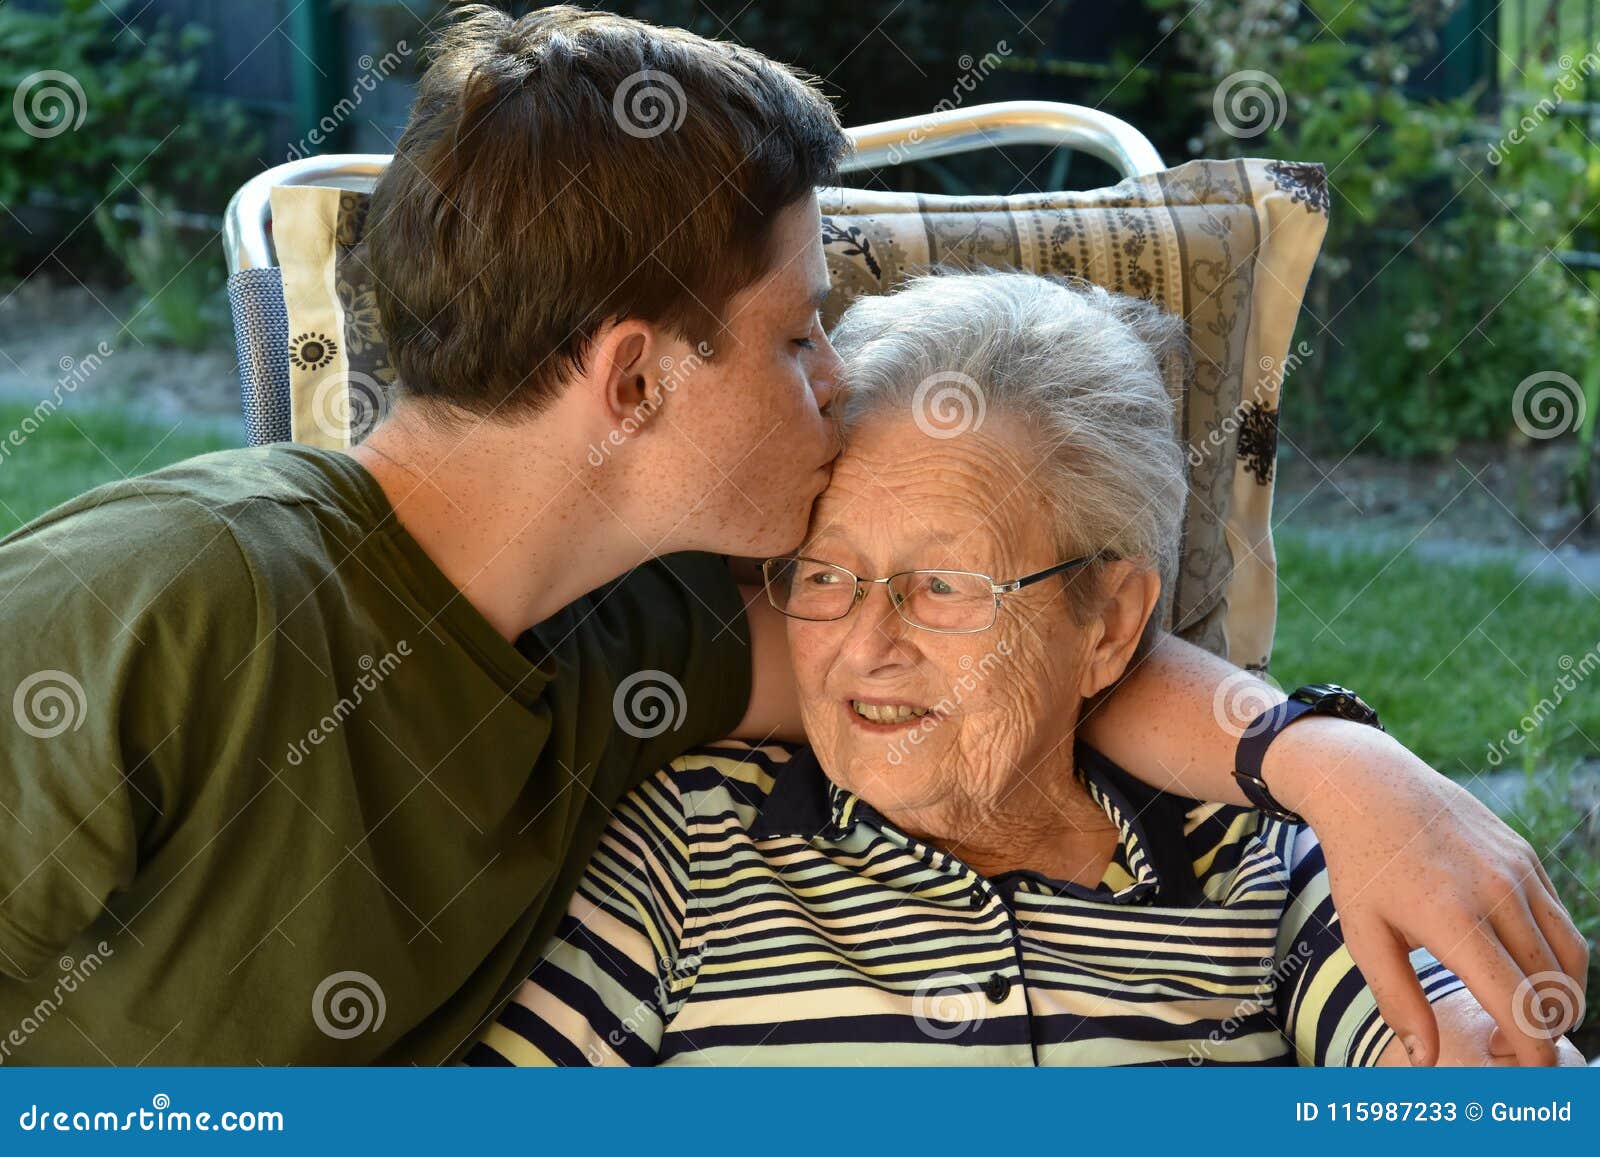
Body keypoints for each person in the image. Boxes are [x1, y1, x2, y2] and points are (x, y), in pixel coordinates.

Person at [0, 7, 1582, 1065]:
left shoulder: (612, 634)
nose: (836, 387)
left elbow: (1011, 661)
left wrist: (1336, 765)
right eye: (799, 336)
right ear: (633, 379)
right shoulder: (166, 602)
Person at [469, 273, 1586, 1066]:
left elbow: (1470, 1074)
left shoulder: (1265, 864)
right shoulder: (688, 840)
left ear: (1107, 622)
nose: (864, 646)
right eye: (822, 574)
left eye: (945, 585)